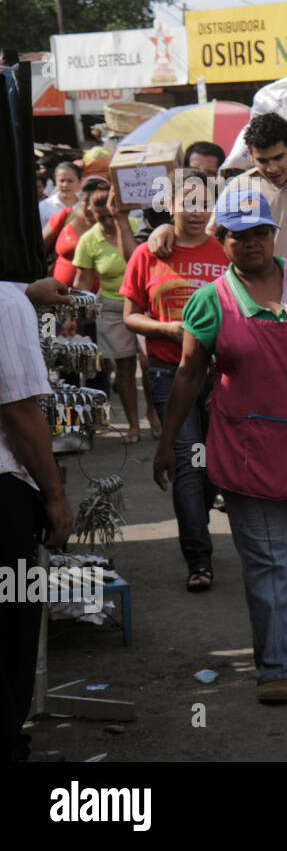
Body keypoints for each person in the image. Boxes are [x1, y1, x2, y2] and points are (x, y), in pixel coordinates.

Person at [153, 189, 287, 705]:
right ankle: (275, 664)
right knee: (269, 561)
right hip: (246, 450)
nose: (250, 243)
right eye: (237, 235)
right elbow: (188, 373)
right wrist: (168, 443)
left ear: (273, 234)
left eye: (259, 233)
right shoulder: (211, 300)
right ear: (221, 240)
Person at [149, 57, 287, 265]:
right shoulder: (239, 186)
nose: (272, 168)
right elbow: (208, 234)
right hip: (263, 299)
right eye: (263, 160)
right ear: (250, 155)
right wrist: (166, 230)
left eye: (278, 157)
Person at [121, 170, 227, 592]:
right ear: (171, 206)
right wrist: (167, 329)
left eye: (205, 203)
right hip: (170, 373)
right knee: (186, 463)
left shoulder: (225, 251)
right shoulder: (149, 254)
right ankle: (199, 558)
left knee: (211, 467)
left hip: (220, 377)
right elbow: (130, 315)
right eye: (188, 202)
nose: (197, 212)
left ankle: (197, 529)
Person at [0, 278, 76, 762]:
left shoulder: (11, 298)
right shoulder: (5, 304)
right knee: (9, 631)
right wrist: (54, 496)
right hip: (3, 495)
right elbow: (19, 409)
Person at [71, 183, 145, 442]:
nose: (106, 221)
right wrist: (72, 316)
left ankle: (157, 418)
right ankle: (134, 426)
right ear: (90, 213)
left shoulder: (135, 228)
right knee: (124, 368)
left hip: (144, 305)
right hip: (112, 308)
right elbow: (81, 282)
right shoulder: (88, 240)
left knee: (149, 366)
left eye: (110, 216)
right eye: (100, 217)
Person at [44, 175, 103, 290]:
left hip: (102, 299)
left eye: (95, 204)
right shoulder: (64, 217)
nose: (89, 208)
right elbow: (38, 249)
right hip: (58, 296)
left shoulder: (112, 224)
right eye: (86, 201)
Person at [38, 161, 80, 228]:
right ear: (55, 181)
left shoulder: (85, 205)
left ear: (79, 182)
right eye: (62, 181)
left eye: (70, 181)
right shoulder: (43, 206)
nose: (65, 185)